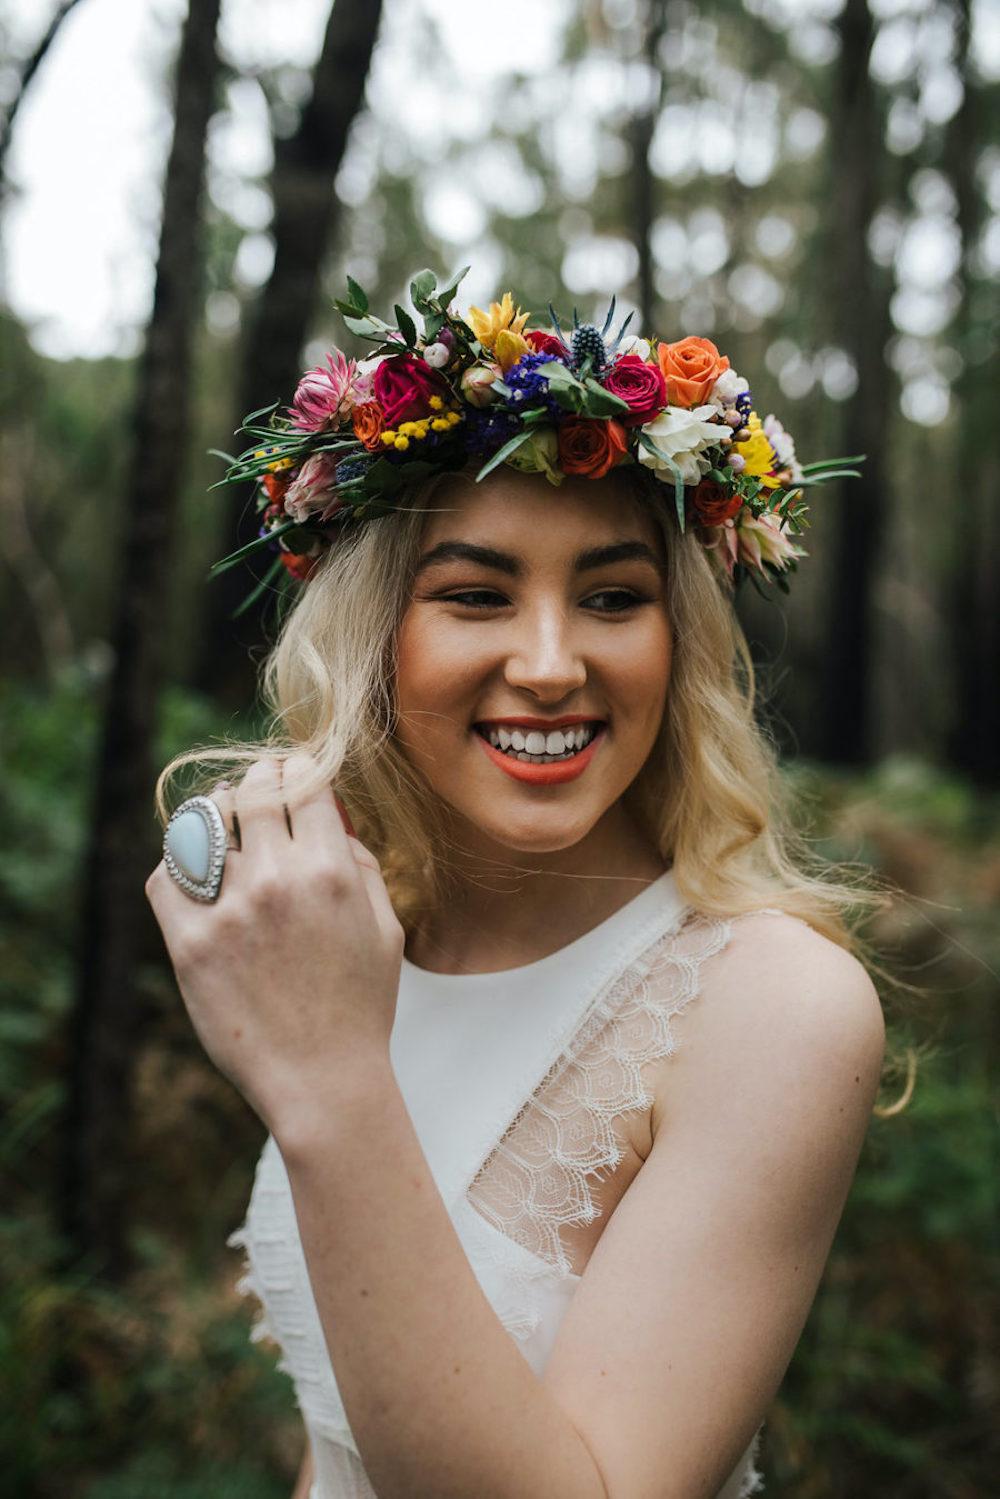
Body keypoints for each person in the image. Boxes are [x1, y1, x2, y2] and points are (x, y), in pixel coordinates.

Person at [147, 274, 889, 1499]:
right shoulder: (361, 938)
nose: (550, 665)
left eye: (612, 596)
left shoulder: (774, 1006)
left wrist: (330, 1082)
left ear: (679, 638)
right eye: (475, 593)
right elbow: (338, 1437)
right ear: (375, 637)